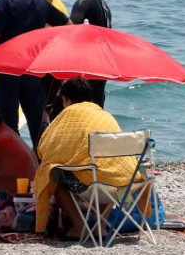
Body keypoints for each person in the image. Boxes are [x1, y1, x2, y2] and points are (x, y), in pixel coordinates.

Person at [33, 77, 139, 238]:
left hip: (91, 186)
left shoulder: (68, 114)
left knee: (53, 173)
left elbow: (45, 148)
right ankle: (100, 226)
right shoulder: (105, 116)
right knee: (107, 169)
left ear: (67, 100)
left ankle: (79, 226)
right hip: (124, 184)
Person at [0, 0, 68, 149]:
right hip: (32, 71)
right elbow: (69, 26)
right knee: (37, 122)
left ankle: (15, 160)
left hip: (6, 72)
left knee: (7, 124)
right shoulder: (41, 3)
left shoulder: (4, 4)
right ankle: (44, 160)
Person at [69, 0, 112, 106]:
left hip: (88, 65)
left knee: (76, 106)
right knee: (96, 105)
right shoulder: (104, 5)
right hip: (103, 64)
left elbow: (68, 31)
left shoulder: (84, 3)